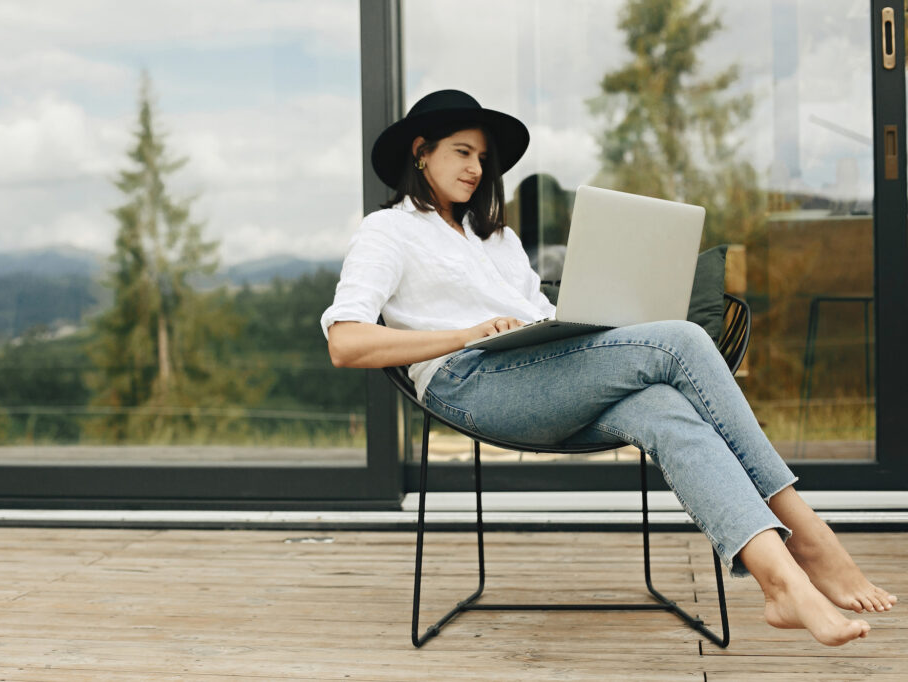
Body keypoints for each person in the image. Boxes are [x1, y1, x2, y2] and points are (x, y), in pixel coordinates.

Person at [320, 89, 895, 647]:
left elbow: (539, 314)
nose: (475, 169)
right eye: (462, 153)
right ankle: (813, 538)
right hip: (471, 382)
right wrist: (466, 334)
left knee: (666, 409)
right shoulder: (387, 230)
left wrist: (578, 324)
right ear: (421, 151)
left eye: (482, 158)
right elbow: (345, 343)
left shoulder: (498, 240)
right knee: (681, 341)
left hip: (544, 374)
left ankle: (782, 583)